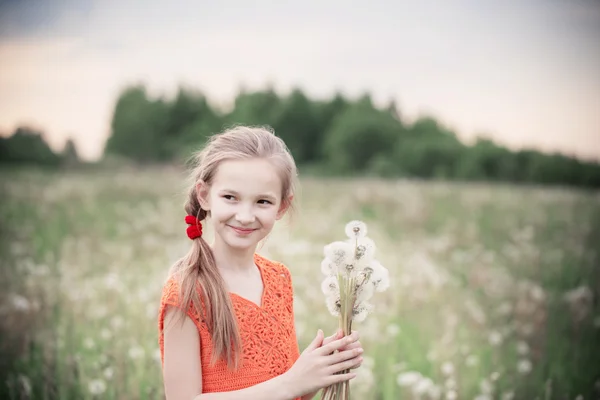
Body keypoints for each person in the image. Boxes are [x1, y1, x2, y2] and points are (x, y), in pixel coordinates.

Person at [158, 126, 363, 400]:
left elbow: (283, 391)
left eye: (262, 201)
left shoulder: (279, 279)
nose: (244, 216)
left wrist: (316, 372)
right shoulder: (187, 293)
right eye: (230, 197)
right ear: (204, 196)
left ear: (281, 207)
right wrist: (291, 382)